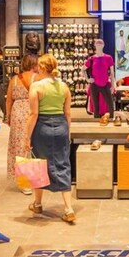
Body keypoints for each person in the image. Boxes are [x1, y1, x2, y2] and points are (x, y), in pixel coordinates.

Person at [26, 54, 76, 223]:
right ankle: (68, 208)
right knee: (63, 164)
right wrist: (67, 132)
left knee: (38, 164)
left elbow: (33, 114)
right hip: (61, 126)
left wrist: (27, 137)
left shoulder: (36, 87)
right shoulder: (64, 86)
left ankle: (38, 204)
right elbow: (68, 113)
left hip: (42, 127)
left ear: (41, 67)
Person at [5, 53, 38, 194]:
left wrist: (8, 116)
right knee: (31, 145)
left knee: (19, 147)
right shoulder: (37, 78)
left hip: (17, 112)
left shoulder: (14, 79)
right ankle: (32, 180)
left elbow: (8, 99)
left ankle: (24, 182)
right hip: (31, 112)